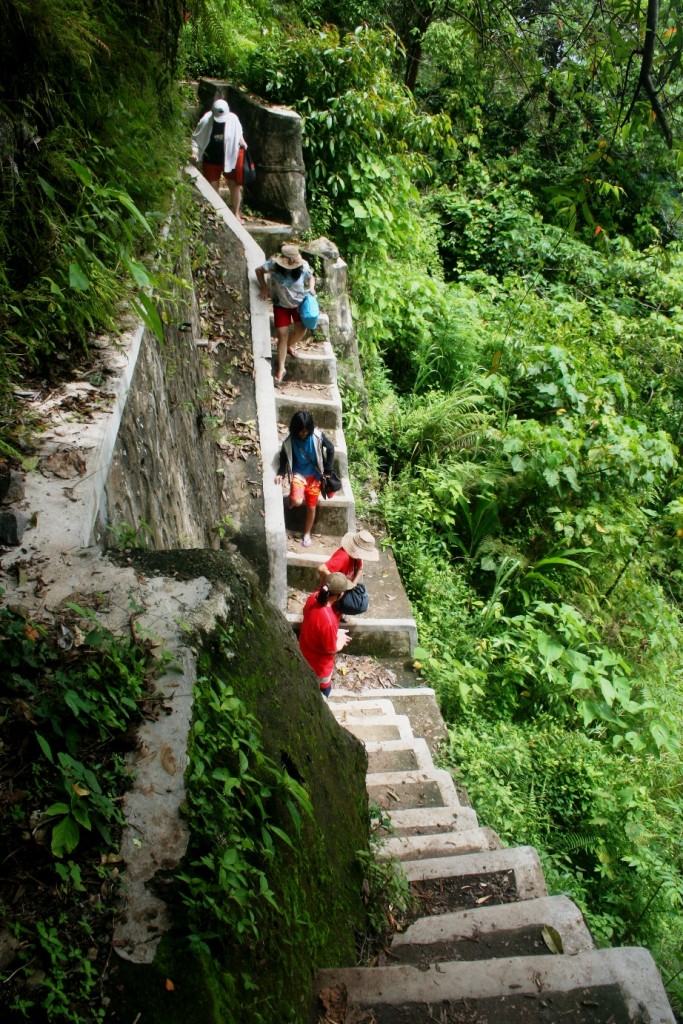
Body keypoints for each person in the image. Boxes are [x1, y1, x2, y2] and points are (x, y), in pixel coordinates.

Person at [256, 244, 316, 384]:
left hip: (298, 305)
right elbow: (258, 271)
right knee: (282, 333)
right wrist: (264, 288)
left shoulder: (303, 267)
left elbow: (311, 277)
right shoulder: (273, 265)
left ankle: (288, 346)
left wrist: (311, 288)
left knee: (301, 330)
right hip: (280, 305)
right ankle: (281, 368)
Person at [275, 410, 334, 547]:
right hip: (298, 475)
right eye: (301, 431)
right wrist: (281, 472)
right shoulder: (289, 441)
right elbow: (283, 456)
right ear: (295, 429)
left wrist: (328, 471)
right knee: (297, 501)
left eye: (306, 431)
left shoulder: (317, 437)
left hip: (315, 476)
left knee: (311, 506)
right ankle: (292, 497)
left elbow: (330, 449)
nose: (304, 434)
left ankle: (307, 533)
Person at [191, 99, 247, 221]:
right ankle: (215, 213)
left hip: (230, 158)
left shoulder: (233, 119)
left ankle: (235, 213)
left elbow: (239, 134)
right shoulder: (206, 120)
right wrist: (194, 153)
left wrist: (243, 143)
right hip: (211, 159)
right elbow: (196, 139)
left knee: (235, 185)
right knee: (212, 187)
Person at [299, 573, 353, 698]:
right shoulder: (329, 621)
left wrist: (335, 632)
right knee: (325, 688)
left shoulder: (313, 597)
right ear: (338, 596)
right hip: (319, 664)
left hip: (304, 650)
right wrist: (340, 640)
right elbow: (330, 648)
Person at [317, 530, 379, 619]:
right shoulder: (343, 557)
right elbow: (321, 568)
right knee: (327, 616)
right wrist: (338, 582)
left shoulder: (357, 557)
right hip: (332, 592)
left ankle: (340, 612)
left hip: (342, 590)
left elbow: (360, 569)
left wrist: (353, 584)